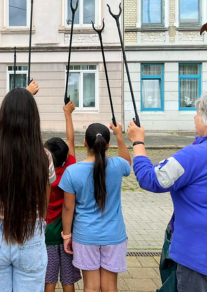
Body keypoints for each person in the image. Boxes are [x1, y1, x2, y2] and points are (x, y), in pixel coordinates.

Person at [127, 91, 207, 292]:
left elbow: (151, 179)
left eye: (198, 114)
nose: (194, 118)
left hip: (201, 257)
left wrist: (138, 143)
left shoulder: (193, 156)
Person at [0, 87, 55, 292]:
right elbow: (44, 205)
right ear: (33, 119)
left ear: (4, 117)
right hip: (31, 233)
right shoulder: (44, 157)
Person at [60, 122, 131, 292]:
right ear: (108, 145)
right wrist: (119, 136)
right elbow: (128, 163)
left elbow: (68, 208)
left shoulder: (72, 171)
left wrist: (67, 235)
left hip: (85, 235)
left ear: (85, 142)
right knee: (110, 287)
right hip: (114, 235)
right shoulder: (117, 165)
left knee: (90, 287)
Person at [43, 101, 81, 292]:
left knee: (48, 279)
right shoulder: (71, 168)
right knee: (68, 280)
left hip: (48, 231)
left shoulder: (42, 174)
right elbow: (71, 140)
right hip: (68, 232)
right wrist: (68, 114)